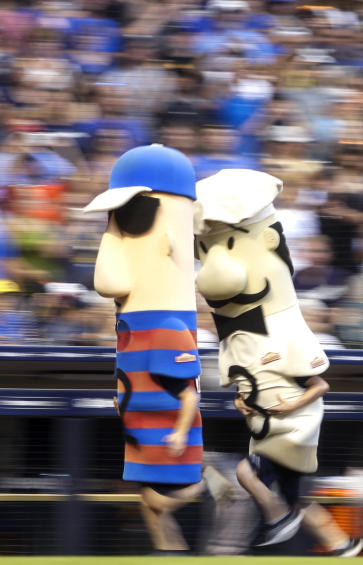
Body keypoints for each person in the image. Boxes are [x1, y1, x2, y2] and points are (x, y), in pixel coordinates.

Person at [194, 168, 363, 556]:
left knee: (247, 475)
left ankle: (278, 520)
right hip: (265, 421)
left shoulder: (286, 328)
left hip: (291, 422)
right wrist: (242, 398)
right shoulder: (235, 339)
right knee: (295, 497)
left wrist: (291, 404)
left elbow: (320, 385)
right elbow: (245, 380)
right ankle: (342, 547)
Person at [83, 144, 230, 553]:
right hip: (145, 427)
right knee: (148, 501)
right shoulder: (136, 324)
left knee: (155, 498)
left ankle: (209, 482)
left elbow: (187, 393)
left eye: (123, 218)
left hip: (168, 433)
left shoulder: (167, 329)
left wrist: (181, 433)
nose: (114, 230)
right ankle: (171, 552)